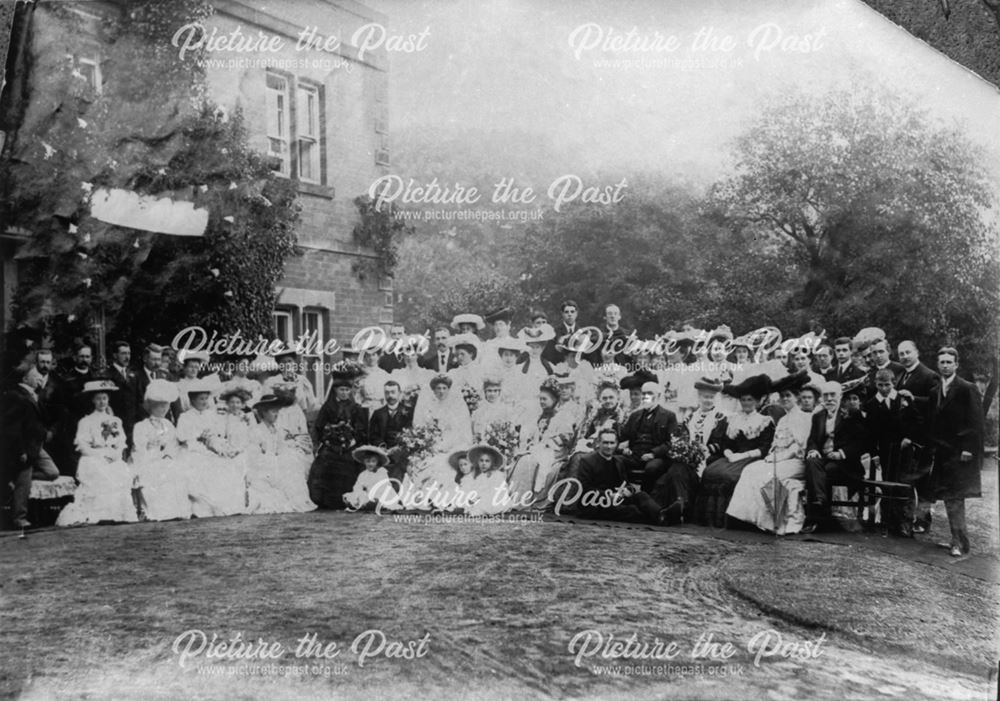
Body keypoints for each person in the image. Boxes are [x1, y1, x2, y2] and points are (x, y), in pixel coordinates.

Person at [727, 372, 813, 534]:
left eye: (788, 396)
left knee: (766, 475)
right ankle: (751, 519)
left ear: (797, 398)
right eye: (782, 396)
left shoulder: (804, 418)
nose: (785, 399)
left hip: (796, 462)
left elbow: (799, 447)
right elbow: (775, 444)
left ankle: (775, 522)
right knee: (750, 470)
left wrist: (778, 458)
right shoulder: (782, 419)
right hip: (778, 459)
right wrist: (771, 456)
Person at [923, 347, 984, 556]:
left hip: (960, 453)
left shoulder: (967, 388)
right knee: (948, 497)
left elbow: (976, 422)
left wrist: (968, 448)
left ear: (956, 364)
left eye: (949, 362)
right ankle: (957, 539)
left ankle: (959, 542)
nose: (945, 366)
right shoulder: (934, 391)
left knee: (956, 498)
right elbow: (932, 421)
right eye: (942, 362)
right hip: (942, 452)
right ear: (937, 365)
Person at [695, 374, 775, 527]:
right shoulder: (732, 419)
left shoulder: (764, 421)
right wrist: (729, 454)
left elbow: (765, 448)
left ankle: (730, 521)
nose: (746, 403)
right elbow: (725, 443)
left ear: (757, 402)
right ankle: (709, 519)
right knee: (710, 472)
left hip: (752, 458)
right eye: (743, 400)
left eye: (750, 400)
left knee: (731, 477)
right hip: (731, 457)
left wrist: (742, 456)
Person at [55, 380, 138, 526]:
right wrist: (100, 455)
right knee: (100, 472)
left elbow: (121, 442)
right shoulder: (86, 421)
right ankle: (98, 514)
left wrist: (116, 453)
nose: (102, 402)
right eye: (98, 399)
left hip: (112, 456)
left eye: (104, 398)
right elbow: (83, 446)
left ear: (108, 400)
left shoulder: (115, 420)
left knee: (120, 470)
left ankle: (116, 513)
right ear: (93, 400)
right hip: (93, 456)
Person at [802, 381, 872, 533]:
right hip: (824, 458)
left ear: (840, 396)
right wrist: (813, 450)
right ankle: (820, 501)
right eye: (825, 395)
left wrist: (841, 453)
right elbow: (812, 439)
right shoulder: (818, 416)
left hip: (845, 463)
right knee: (812, 461)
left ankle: (816, 516)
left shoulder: (852, 414)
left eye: (832, 395)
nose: (829, 399)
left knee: (821, 472)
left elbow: (861, 442)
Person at [175, 377, 246, 518]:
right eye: (201, 399)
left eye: (206, 399)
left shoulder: (210, 415)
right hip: (192, 450)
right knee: (202, 467)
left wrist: (219, 447)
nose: (204, 402)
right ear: (192, 400)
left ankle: (227, 506)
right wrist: (199, 437)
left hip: (210, 449)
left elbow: (216, 435)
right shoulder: (185, 416)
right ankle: (200, 508)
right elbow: (183, 437)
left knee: (226, 464)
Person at [1, 366, 60, 530]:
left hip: (36, 445)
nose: (39, 378)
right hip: (25, 446)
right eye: (35, 376)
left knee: (52, 472)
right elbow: (12, 427)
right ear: (25, 379)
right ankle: (19, 518)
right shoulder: (16, 396)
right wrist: (20, 450)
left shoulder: (35, 395)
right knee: (24, 482)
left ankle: (13, 479)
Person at [506, 378, 576, 511]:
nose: (542, 402)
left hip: (556, 451)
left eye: (545, 399)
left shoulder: (564, 416)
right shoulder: (540, 416)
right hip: (541, 449)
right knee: (523, 459)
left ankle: (528, 499)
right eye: (540, 399)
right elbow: (533, 435)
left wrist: (548, 443)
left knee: (530, 460)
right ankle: (518, 499)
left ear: (554, 399)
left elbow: (566, 437)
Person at [894, 340, 940, 533]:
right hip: (904, 437)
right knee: (906, 480)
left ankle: (923, 520)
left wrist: (912, 399)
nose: (904, 356)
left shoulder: (930, 376)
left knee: (922, 482)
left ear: (917, 352)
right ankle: (908, 519)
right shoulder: (900, 375)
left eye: (908, 352)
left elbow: (936, 404)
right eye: (901, 354)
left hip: (922, 438)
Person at [309, 368, 369, 509]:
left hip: (350, 445)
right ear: (335, 390)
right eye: (341, 390)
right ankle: (326, 501)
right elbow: (319, 427)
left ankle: (348, 500)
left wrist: (352, 441)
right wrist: (328, 439)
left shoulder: (355, 408)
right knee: (324, 461)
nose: (344, 393)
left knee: (350, 462)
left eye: (347, 390)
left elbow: (361, 430)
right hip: (330, 445)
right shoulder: (328, 407)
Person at [246, 394, 315, 514]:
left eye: (277, 411)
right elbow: (253, 455)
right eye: (273, 412)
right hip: (262, 465)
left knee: (292, 464)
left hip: (277, 462)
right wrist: (269, 457)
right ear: (264, 413)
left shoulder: (278, 430)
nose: (276, 414)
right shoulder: (256, 431)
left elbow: (282, 447)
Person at [576, 429, 661, 524]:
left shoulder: (618, 461)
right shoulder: (587, 461)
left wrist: (628, 490)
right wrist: (609, 495)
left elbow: (626, 483)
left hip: (617, 499)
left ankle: (661, 514)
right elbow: (585, 488)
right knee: (632, 510)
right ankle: (661, 517)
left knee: (642, 495)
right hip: (596, 503)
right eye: (605, 443)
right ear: (598, 443)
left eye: (612, 443)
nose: (609, 447)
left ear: (616, 444)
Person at [132, 379, 189, 521]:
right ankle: (156, 512)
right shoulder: (141, 426)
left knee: (175, 470)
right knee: (155, 472)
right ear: (151, 407)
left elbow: (173, 444)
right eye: (160, 406)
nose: (164, 409)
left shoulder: (169, 424)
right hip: (148, 459)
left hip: (166, 458)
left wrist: (168, 455)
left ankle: (174, 511)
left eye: (166, 406)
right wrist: (153, 456)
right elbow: (139, 448)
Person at [863, 369, 911, 536]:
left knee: (902, 483)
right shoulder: (871, 404)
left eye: (887, 385)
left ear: (893, 383)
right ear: (876, 384)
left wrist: (908, 437)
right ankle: (886, 521)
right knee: (886, 483)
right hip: (884, 449)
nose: (884, 388)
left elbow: (915, 421)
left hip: (903, 448)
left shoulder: (902, 400)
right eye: (880, 385)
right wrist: (874, 453)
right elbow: (869, 433)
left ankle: (903, 522)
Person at [618, 382, 678, 496]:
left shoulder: (669, 416)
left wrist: (653, 454)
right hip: (634, 455)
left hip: (656, 458)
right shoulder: (635, 415)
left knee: (652, 468)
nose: (646, 397)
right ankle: (626, 490)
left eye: (650, 393)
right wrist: (623, 449)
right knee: (615, 460)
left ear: (659, 396)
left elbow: (672, 442)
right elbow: (623, 437)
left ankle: (645, 496)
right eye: (643, 393)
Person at [369, 380, 414, 483]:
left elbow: (411, 434)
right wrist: (382, 446)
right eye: (387, 393)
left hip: (402, 454)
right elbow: (372, 435)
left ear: (399, 393)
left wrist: (398, 448)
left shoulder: (409, 412)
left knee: (398, 477)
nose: (390, 396)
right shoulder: (378, 413)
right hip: (383, 453)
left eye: (393, 392)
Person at [263, 348, 319, 420]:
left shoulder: (302, 380)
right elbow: (267, 403)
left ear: (294, 363)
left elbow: (311, 404)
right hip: (280, 417)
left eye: (290, 361)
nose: (287, 364)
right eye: (283, 362)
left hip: (299, 417)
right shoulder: (272, 381)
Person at [343, 445, 398, 511]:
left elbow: (384, 487)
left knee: (382, 500)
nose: (370, 464)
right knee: (349, 496)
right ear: (364, 462)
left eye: (373, 461)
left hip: (383, 494)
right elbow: (357, 487)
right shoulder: (363, 474)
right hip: (370, 496)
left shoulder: (382, 471)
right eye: (368, 461)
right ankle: (362, 504)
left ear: (377, 462)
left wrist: (376, 497)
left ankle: (378, 505)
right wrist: (358, 494)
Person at [107, 340, 139, 447]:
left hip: (132, 424)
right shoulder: (107, 375)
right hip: (116, 423)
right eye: (123, 353)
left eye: (129, 353)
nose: (127, 357)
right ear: (115, 355)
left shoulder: (133, 374)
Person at [465, 444, 510, 516]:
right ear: (478, 462)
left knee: (480, 505)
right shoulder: (481, 476)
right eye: (481, 461)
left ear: (492, 463)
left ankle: (486, 510)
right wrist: (473, 498)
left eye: (487, 461)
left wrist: (478, 498)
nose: (483, 463)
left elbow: (497, 491)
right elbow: (478, 490)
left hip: (496, 499)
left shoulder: (497, 475)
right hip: (485, 498)